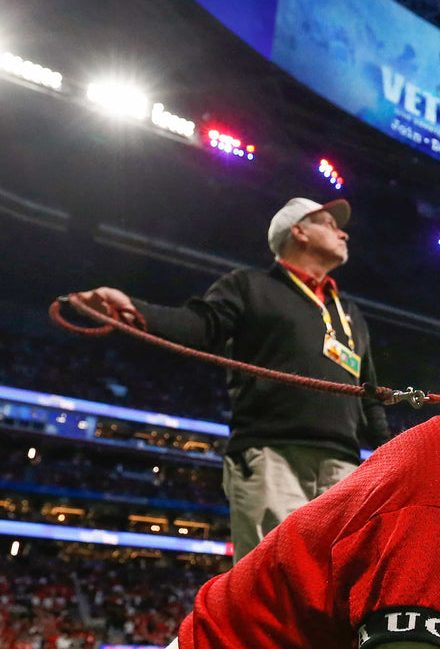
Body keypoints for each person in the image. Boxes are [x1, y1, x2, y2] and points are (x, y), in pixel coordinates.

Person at [75, 198, 391, 559]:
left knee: (337, 583)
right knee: (273, 579)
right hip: (272, 454)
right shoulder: (249, 285)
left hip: (344, 465)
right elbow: (199, 326)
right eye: (328, 223)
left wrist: (393, 456)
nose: (342, 232)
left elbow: (369, 395)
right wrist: (131, 309)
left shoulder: (350, 312)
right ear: (298, 231)